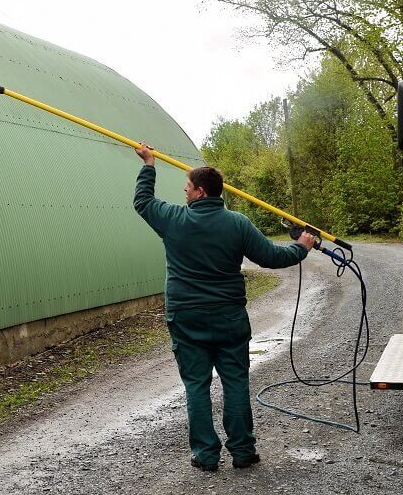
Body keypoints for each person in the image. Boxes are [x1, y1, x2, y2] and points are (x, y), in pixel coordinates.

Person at [133, 143, 316, 471]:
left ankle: (206, 455)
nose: (184, 192)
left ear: (201, 192)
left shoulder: (174, 219)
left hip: (187, 319)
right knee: (235, 382)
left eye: (187, 187)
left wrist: (149, 164)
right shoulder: (238, 223)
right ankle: (243, 452)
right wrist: (301, 246)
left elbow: (142, 201)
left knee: (196, 385)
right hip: (229, 318)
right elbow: (272, 257)